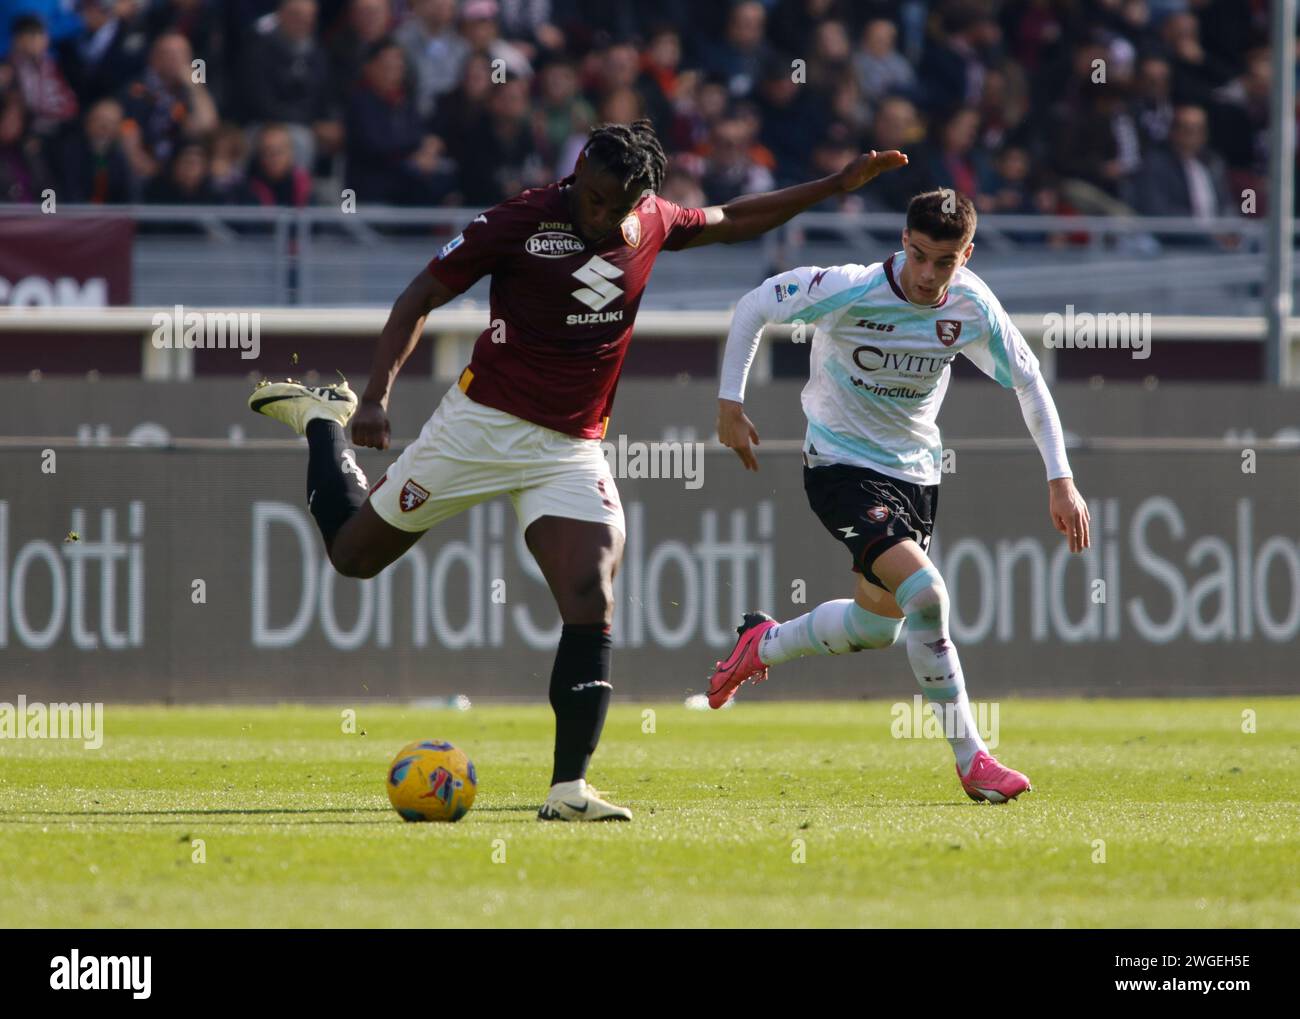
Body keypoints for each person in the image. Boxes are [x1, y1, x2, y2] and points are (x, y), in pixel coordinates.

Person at [249, 120, 906, 821]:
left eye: (613, 205)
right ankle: (321, 421)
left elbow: (734, 217)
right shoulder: (520, 219)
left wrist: (833, 186)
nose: (597, 215)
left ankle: (568, 790)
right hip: (480, 425)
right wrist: (375, 396)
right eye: (589, 197)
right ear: (577, 175)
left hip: (569, 447)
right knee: (353, 557)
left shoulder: (650, 219)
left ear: (639, 199)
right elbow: (420, 296)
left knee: (591, 594)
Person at [707, 188, 1091, 804]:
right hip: (838, 467)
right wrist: (731, 401)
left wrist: (1061, 478)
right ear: (902, 243)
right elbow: (756, 305)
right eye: (917, 255)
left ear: (965, 255)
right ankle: (974, 760)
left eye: (943, 261)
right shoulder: (850, 287)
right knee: (929, 595)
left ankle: (762, 644)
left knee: (877, 625)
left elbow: (1028, 382)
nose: (926, 274)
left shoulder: (971, 306)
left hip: (915, 476)